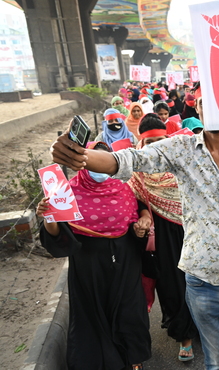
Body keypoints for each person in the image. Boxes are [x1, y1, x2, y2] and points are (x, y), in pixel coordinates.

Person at [50, 99, 219, 370]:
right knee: (216, 364)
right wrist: (82, 157)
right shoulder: (181, 148)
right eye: (207, 100)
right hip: (202, 282)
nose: (214, 106)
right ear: (199, 109)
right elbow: (130, 159)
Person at [37, 141, 151, 370]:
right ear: (83, 164)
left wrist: (143, 221)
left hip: (125, 260)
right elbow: (58, 236)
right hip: (88, 263)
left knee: (129, 309)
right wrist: (49, 216)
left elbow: (140, 209)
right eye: (91, 162)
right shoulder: (67, 191)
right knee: (92, 314)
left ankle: (132, 357)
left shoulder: (123, 187)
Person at [128, 114, 199, 361]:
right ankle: (184, 336)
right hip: (163, 237)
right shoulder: (136, 171)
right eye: (150, 143)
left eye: (161, 141)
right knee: (172, 285)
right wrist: (145, 214)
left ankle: (203, 324)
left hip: (192, 230)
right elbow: (134, 201)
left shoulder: (183, 163)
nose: (156, 148)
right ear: (141, 144)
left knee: (199, 281)